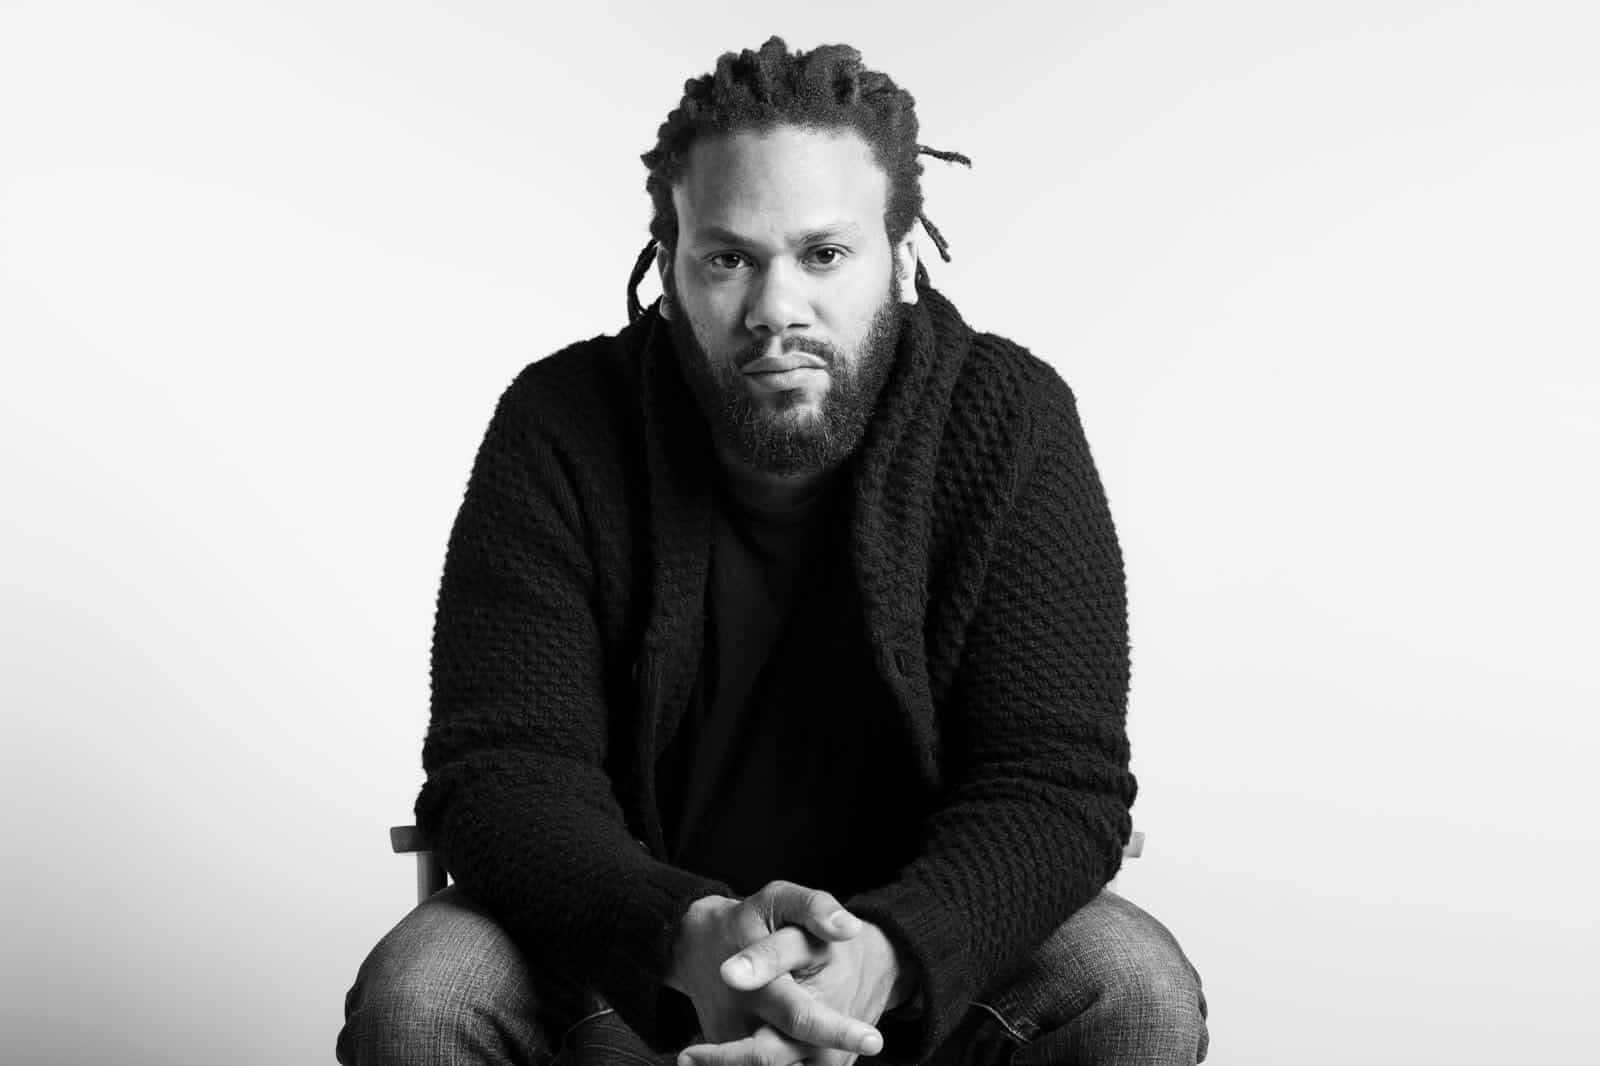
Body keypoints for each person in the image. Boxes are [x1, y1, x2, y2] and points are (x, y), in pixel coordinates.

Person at [338, 36, 1208, 1066]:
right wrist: (690, 941)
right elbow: (503, 772)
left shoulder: (1009, 423)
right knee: (430, 993)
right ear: (669, 265)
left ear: (902, 256)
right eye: (729, 258)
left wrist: (888, 954)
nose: (776, 309)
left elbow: (1055, 781)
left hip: (920, 987)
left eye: (823, 254)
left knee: (1132, 986)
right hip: (633, 972)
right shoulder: (562, 424)